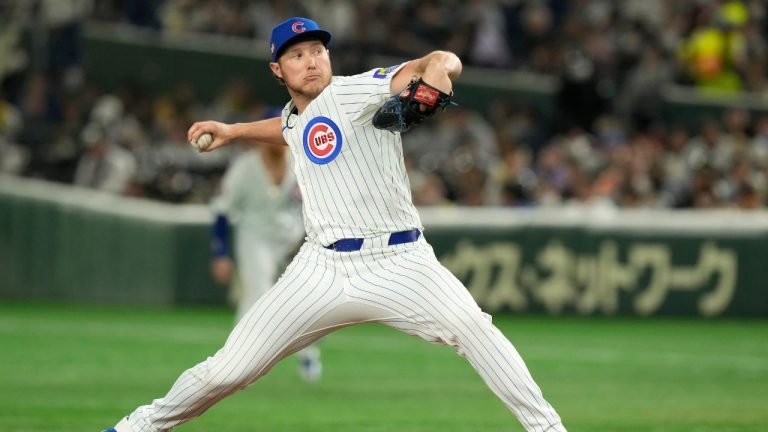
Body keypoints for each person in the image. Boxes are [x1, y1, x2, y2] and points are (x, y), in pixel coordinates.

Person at [103, 17, 567, 432]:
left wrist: (438, 74)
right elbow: (290, 128)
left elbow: (441, 62)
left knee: (473, 327)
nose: (311, 61)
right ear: (277, 70)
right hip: (320, 269)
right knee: (228, 370)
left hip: (400, 262)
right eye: (297, 55)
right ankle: (136, 427)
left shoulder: (356, 91)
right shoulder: (293, 116)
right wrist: (234, 131)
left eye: (318, 51)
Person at [209, 139, 322, 382]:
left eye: (283, 139)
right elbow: (221, 209)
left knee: (303, 295)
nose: (280, 144)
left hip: (293, 237)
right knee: (258, 293)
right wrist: (219, 252)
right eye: (274, 138)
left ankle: (307, 352)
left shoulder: (301, 161)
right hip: (255, 238)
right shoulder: (245, 167)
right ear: (262, 141)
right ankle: (235, 359)